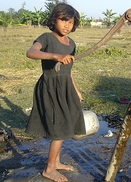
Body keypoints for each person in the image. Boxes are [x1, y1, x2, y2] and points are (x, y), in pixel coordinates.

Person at [25, 3, 86, 182]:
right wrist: (54, 56)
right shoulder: (46, 38)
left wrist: (76, 90)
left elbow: (70, 70)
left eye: (71, 22)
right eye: (63, 20)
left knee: (67, 124)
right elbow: (31, 52)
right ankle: (49, 169)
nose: (67, 25)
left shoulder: (71, 43)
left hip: (66, 87)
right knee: (59, 128)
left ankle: (57, 161)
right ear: (54, 20)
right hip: (51, 87)